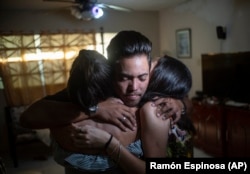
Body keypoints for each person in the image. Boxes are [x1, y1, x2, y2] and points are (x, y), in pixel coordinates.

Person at [20, 31, 185, 173]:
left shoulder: (153, 101)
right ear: (111, 72)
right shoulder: (92, 89)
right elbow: (28, 118)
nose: (134, 87)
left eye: (142, 77)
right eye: (124, 78)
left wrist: (180, 102)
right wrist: (95, 109)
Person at [71, 55, 195, 173]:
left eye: (149, 67)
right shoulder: (153, 102)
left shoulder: (154, 109)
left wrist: (108, 143)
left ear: (158, 80)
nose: (145, 65)